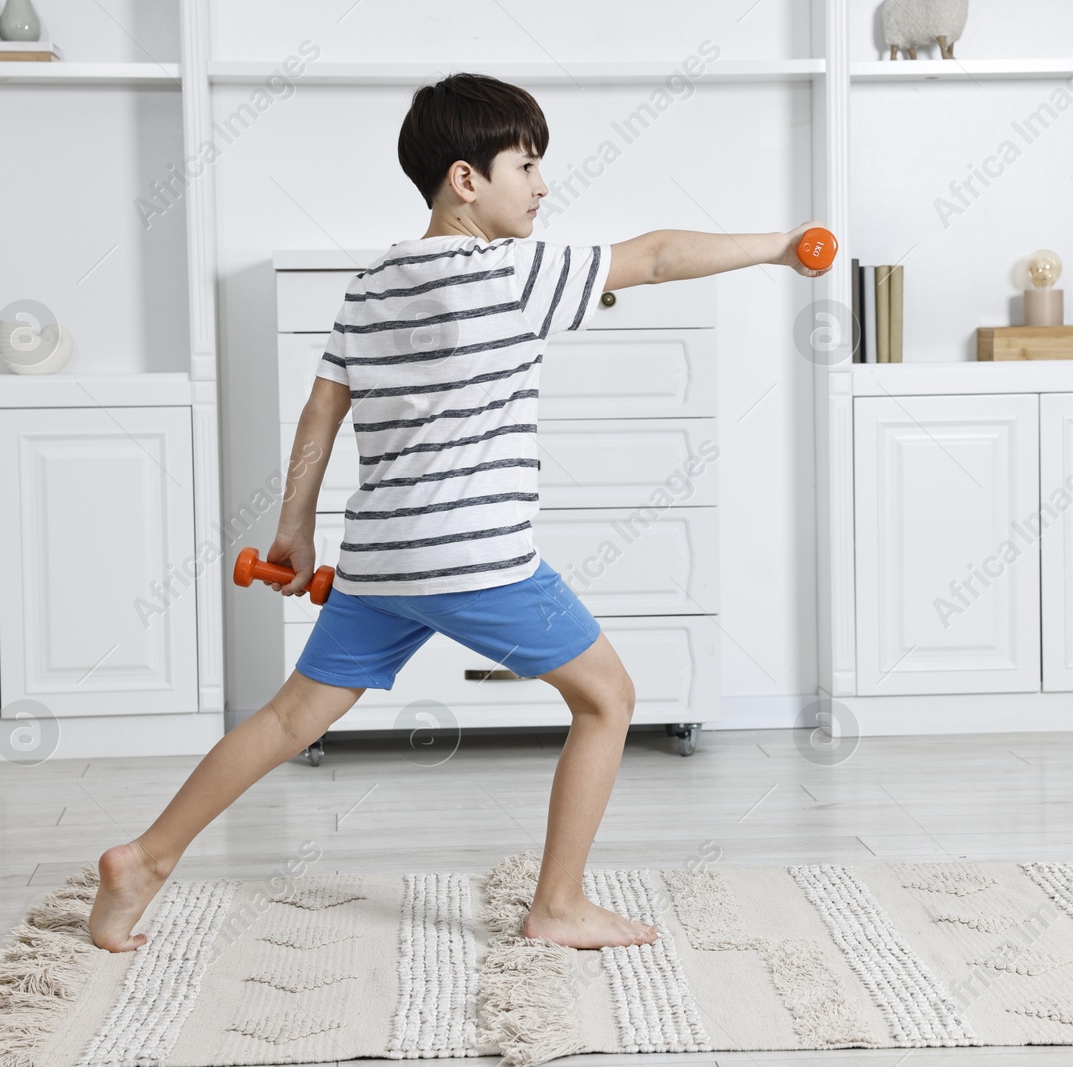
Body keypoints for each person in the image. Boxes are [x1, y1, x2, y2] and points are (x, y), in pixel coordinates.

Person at [87, 71, 830, 954]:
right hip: (478, 558)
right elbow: (659, 255)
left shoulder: (371, 284)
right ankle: (557, 905)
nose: (543, 186)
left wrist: (295, 529)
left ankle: (145, 858)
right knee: (609, 698)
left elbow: (323, 409)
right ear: (465, 179)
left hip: (382, 558)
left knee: (290, 717)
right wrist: (782, 245)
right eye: (527, 164)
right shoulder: (513, 273)